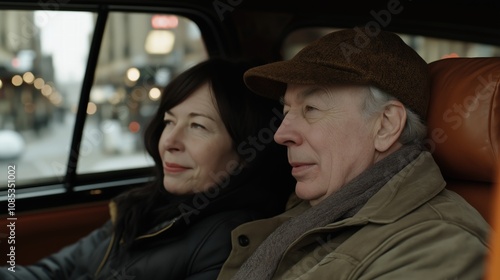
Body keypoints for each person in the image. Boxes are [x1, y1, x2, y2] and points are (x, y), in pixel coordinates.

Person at [216, 28, 491, 280]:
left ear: (386, 125)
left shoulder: (438, 246)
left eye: (311, 109)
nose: (281, 134)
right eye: (287, 112)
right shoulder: (315, 211)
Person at [0, 58, 294, 280]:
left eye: (198, 126)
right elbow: (57, 269)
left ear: (248, 150)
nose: (169, 141)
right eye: (169, 121)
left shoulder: (228, 242)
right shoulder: (146, 204)